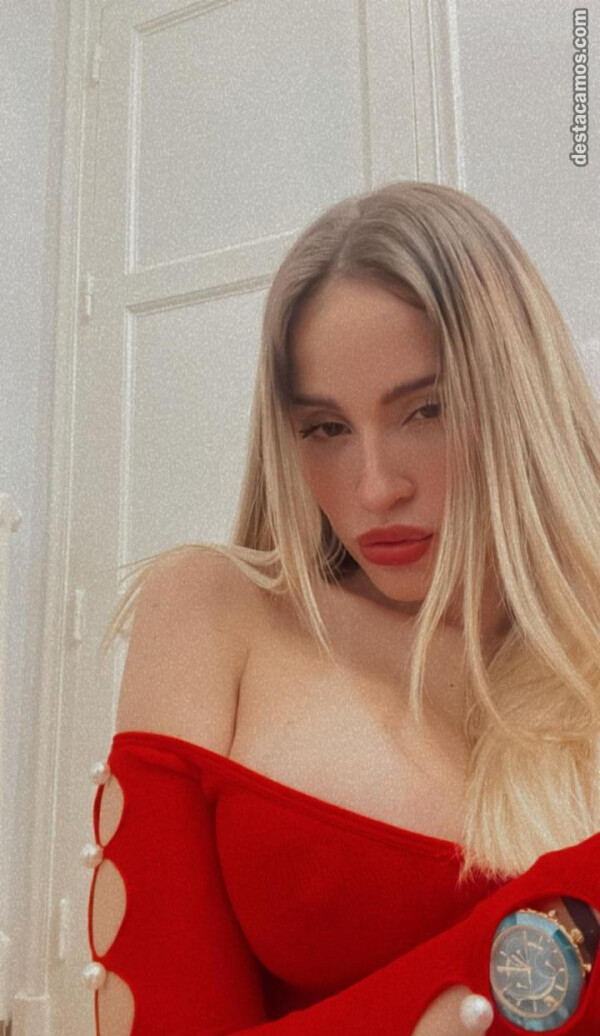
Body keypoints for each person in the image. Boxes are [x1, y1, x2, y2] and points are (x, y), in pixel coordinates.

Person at [83, 180, 600, 1036]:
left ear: (522, 400)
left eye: (426, 410)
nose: (374, 488)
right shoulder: (216, 613)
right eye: (325, 428)